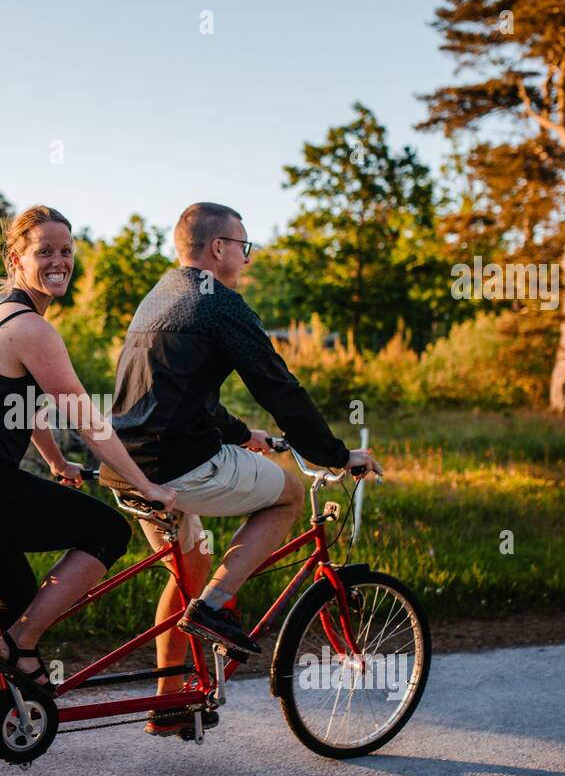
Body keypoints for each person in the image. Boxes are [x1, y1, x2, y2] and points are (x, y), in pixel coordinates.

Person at [0, 204, 175, 759]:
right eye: (44, 251)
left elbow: (25, 409)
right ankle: (19, 649)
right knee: (106, 533)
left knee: (14, 598)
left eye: (66, 251)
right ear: (16, 258)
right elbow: (86, 416)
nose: (59, 261)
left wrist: (56, 463)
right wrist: (146, 487)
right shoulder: (31, 328)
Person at [109, 202, 382, 738]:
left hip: (127, 464)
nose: (246, 257)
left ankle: (170, 706)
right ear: (218, 249)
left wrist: (241, 435)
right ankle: (215, 608)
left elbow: (178, 390)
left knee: (186, 570)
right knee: (285, 496)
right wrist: (334, 454)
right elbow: (280, 388)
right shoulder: (221, 304)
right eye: (243, 245)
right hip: (177, 465)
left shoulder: (161, 295)